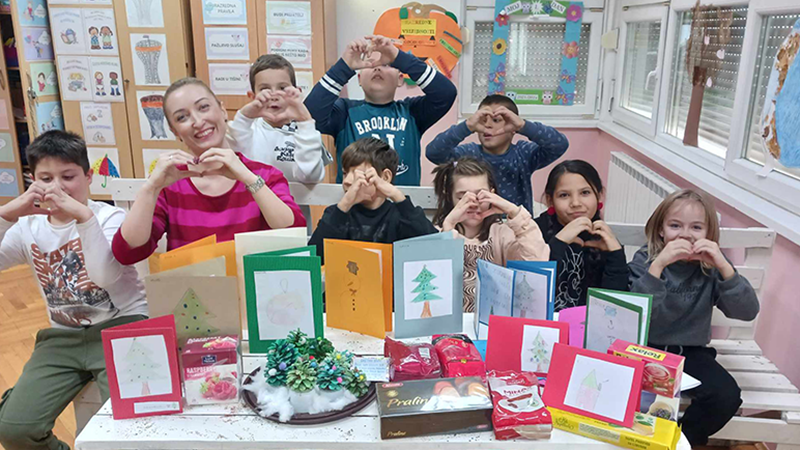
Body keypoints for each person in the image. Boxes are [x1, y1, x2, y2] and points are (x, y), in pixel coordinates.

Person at [0, 131, 147, 450]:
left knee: (132, 427)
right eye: (46, 178)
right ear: (32, 180)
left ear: (88, 176)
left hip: (122, 328)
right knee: (13, 428)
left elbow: (104, 277)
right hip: (63, 338)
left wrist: (83, 217)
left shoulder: (109, 217)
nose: (57, 187)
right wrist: (7, 214)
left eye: (68, 177)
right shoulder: (28, 226)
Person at [112, 77, 305, 264]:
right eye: (182, 117)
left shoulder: (264, 175)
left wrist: (248, 178)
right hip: (192, 285)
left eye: (203, 107)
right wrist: (150, 188)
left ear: (222, 111)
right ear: (175, 132)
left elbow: (294, 234)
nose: (197, 121)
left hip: (253, 285)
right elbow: (127, 253)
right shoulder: (170, 183)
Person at [629, 189, 758, 447]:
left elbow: (747, 311)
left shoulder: (712, 266)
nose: (685, 235)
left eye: (696, 227)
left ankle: (681, 441)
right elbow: (636, 315)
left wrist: (724, 267)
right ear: (661, 230)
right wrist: (658, 267)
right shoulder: (646, 260)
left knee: (726, 396)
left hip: (690, 354)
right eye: (675, 225)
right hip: (646, 350)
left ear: (709, 234)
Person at [305, 35, 457, 186]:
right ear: (359, 79)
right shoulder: (345, 111)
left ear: (400, 79)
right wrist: (344, 67)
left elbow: (446, 94)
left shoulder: (412, 112)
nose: (377, 67)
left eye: (387, 64)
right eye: (369, 63)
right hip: (354, 200)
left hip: (401, 201)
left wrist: (400, 58)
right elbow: (309, 116)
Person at [432, 157, 549, 312]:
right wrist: (448, 226)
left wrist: (513, 211)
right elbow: (436, 282)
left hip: (495, 319)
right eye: (462, 198)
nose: (473, 204)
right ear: (449, 197)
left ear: (492, 195)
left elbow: (537, 265)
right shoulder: (437, 234)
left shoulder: (503, 234)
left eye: (480, 196)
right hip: (450, 320)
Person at [426, 94, 569, 214]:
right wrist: (467, 126)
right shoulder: (468, 154)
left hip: (516, 227)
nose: (488, 125)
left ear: (513, 127)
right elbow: (434, 152)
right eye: (482, 121)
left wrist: (522, 126)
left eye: (496, 120)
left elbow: (559, 145)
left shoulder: (523, 153)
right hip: (476, 227)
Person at [308, 137, 437, 261]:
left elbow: (433, 248)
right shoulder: (336, 214)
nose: (347, 181)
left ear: (385, 177)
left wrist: (396, 195)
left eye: (358, 174)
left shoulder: (401, 216)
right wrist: (345, 204)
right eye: (345, 173)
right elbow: (314, 257)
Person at [535, 160, 627, 311]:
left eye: (585, 193)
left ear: (599, 196)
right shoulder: (535, 231)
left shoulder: (602, 236)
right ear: (550, 200)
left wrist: (616, 254)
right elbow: (532, 293)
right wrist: (558, 242)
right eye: (564, 195)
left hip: (589, 321)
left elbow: (614, 304)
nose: (576, 203)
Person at [227, 54, 331, 183]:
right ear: (252, 96)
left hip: (294, 197)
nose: (274, 96)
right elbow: (235, 163)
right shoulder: (248, 131)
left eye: (282, 88)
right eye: (264, 89)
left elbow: (310, 177)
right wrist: (244, 118)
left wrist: (305, 122)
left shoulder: (306, 133)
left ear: (297, 92)